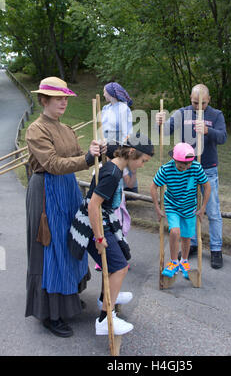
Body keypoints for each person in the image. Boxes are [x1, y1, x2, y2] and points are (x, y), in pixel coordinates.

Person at [25, 76, 104, 338]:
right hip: (47, 192)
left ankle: (67, 298)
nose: (63, 103)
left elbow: (77, 156)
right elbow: (53, 164)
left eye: (65, 98)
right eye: (58, 98)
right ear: (44, 100)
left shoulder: (67, 128)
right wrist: (86, 158)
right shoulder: (36, 130)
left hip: (68, 189)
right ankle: (51, 313)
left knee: (72, 242)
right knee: (53, 248)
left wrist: (93, 152)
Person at [87, 133, 154, 335]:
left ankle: (106, 298)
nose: (143, 165)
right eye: (143, 161)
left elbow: (112, 145)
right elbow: (93, 206)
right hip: (96, 225)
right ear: (132, 152)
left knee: (120, 258)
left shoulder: (116, 165)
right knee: (120, 267)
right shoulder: (113, 174)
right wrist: (99, 238)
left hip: (106, 222)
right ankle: (105, 320)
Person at [156, 84, 227, 269]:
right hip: (185, 170)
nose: (198, 107)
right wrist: (160, 123)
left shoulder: (216, 115)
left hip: (207, 168)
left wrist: (208, 131)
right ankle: (192, 244)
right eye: (195, 103)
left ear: (209, 100)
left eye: (202, 103)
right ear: (190, 98)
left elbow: (223, 137)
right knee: (188, 207)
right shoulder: (182, 113)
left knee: (211, 210)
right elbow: (164, 132)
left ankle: (216, 249)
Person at [150, 142, 211, 279]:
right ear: (175, 160)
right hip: (172, 206)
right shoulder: (166, 169)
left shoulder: (195, 167)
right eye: (182, 165)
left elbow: (207, 187)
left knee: (187, 237)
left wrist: (203, 208)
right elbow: (153, 187)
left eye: (188, 164)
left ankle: (184, 261)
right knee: (175, 231)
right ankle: (173, 262)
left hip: (189, 207)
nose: (186, 168)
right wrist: (157, 208)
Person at [102, 82, 138, 197]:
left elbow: (126, 129)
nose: (103, 94)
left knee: (118, 167)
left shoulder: (123, 108)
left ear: (111, 93)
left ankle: (119, 194)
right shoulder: (105, 108)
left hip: (118, 142)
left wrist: (124, 146)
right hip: (107, 140)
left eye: (105, 92)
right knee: (106, 166)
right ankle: (106, 190)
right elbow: (103, 127)